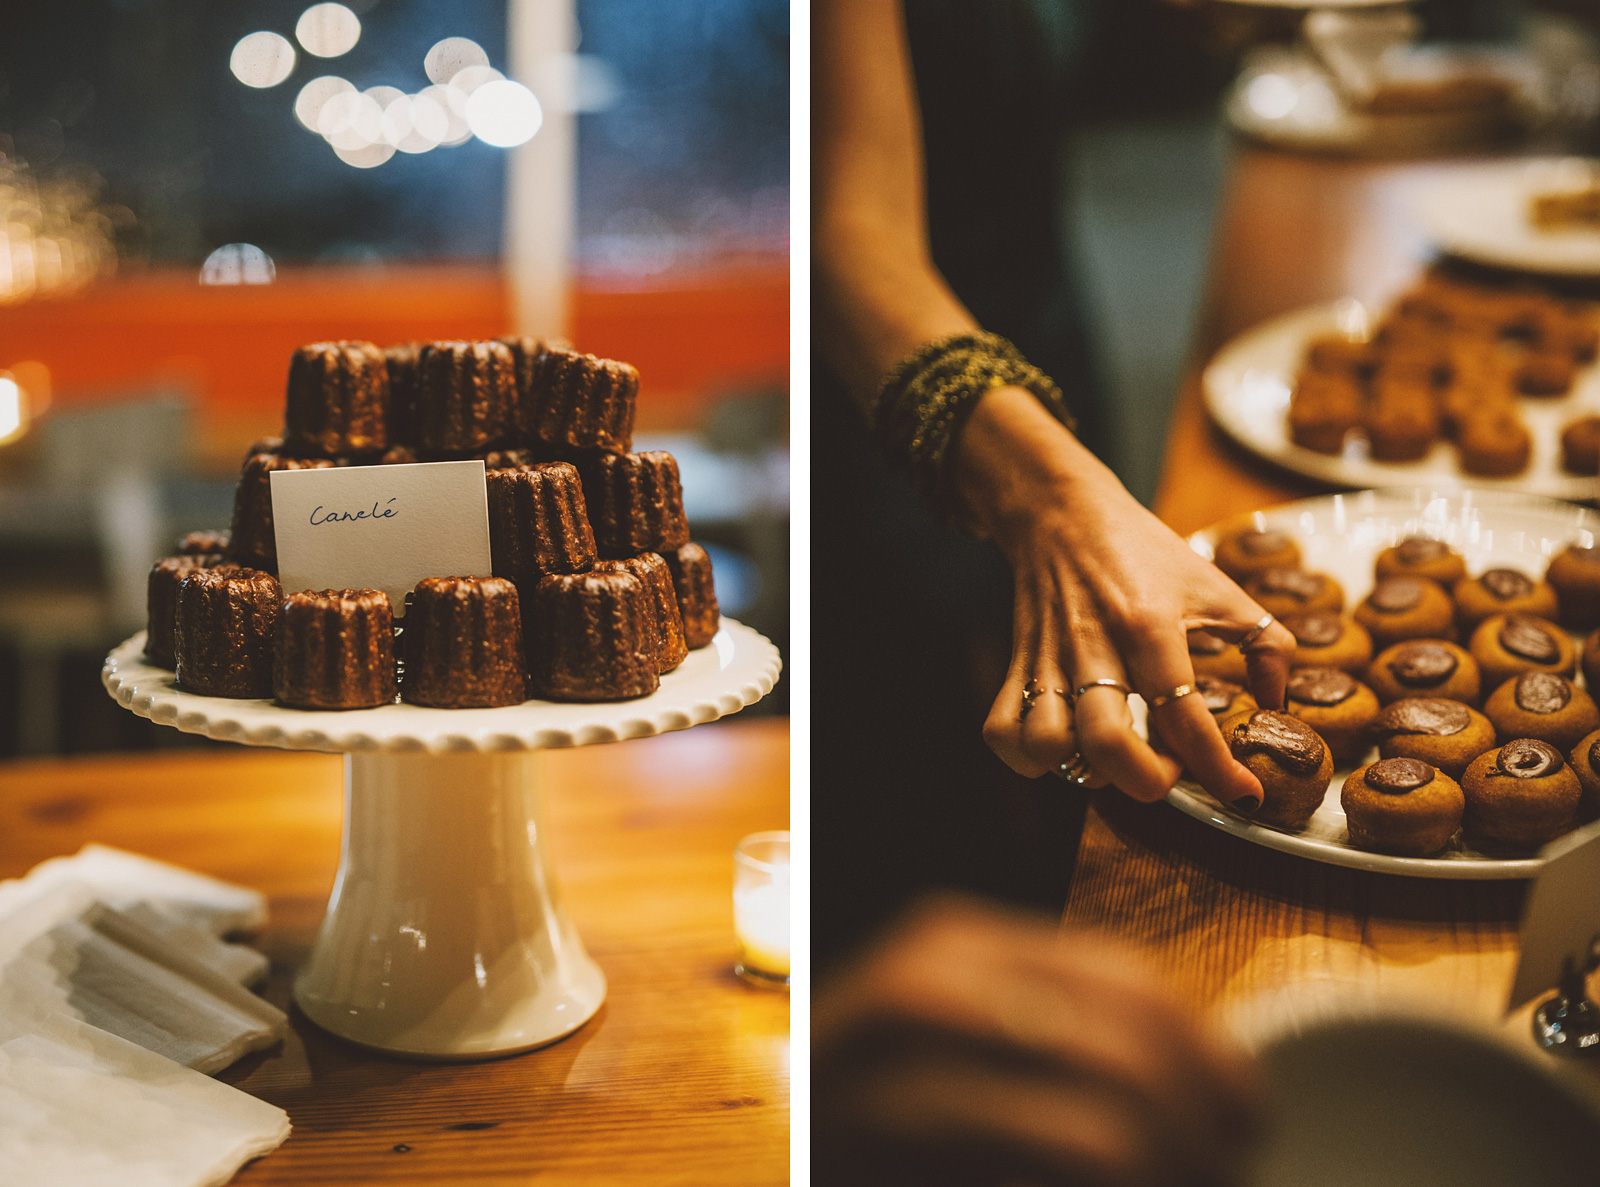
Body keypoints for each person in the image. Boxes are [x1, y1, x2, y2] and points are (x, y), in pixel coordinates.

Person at [813, 0, 1293, 1179]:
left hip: (1037, 341)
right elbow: (851, 233)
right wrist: (1048, 500)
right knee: (949, 858)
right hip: (914, 417)